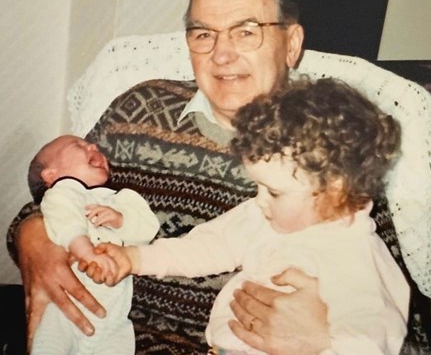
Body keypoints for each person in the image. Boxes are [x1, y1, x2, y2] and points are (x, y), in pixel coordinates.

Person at [6, 0, 431, 355]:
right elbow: (57, 190)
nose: (221, 53)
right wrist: (33, 236)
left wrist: (319, 341)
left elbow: (408, 333)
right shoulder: (138, 109)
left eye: (246, 31)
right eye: (203, 33)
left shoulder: (334, 151)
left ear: (292, 42)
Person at [86, 78, 410, 355]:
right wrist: (135, 258)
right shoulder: (264, 218)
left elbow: (376, 340)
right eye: (258, 187)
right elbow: (207, 246)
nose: (259, 201)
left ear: (335, 191)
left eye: (275, 192)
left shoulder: (359, 258)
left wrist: (324, 344)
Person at [27, 135, 159, 354]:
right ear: (51, 175)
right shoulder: (61, 194)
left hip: (112, 316)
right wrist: (86, 252)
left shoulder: (122, 199)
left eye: (91, 144)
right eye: (78, 145)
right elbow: (67, 224)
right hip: (63, 308)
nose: (93, 146)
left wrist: (121, 220)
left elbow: (148, 229)